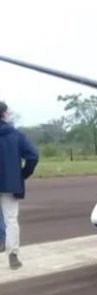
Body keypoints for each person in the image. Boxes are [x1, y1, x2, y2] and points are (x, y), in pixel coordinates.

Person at [0, 101, 39, 269]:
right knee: (11, 220)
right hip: (10, 184)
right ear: (5, 114)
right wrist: (22, 175)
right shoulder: (17, 136)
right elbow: (33, 156)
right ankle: (13, 256)